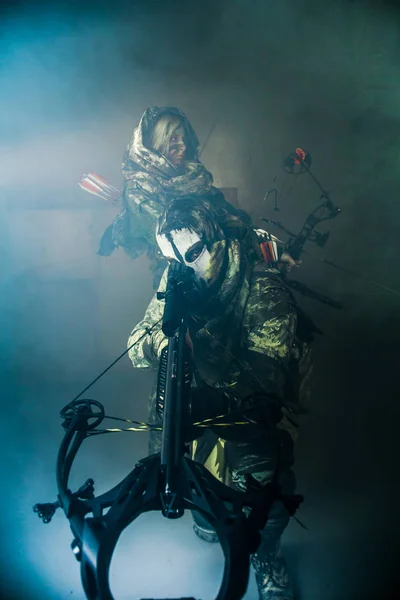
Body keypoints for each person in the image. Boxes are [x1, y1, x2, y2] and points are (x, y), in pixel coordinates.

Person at [127, 197, 314, 599]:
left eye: (194, 252)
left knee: (265, 488)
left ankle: (267, 556)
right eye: (173, 258)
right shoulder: (176, 279)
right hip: (196, 399)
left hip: (251, 409)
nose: (186, 266)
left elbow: (265, 379)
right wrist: (164, 342)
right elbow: (134, 345)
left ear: (216, 241)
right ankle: (212, 516)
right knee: (191, 483)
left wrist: (210, 404)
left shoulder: (263, 285)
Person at [97, 106, 264, 287]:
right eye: (174, 139)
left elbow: (230, 218)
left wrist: (266, 249)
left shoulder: (194, 179)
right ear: (156, 142)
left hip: (228, 272)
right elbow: (178, 237)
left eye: (184, 139)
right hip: (181, 282)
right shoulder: (139, 190)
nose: (182, 146)